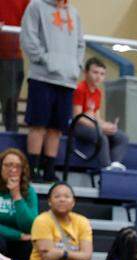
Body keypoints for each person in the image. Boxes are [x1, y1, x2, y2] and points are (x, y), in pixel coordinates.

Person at [20, 0, 84, 182]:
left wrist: (75, 66)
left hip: (67, 80)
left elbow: (81, 43)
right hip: (42, 77)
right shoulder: (36, 6)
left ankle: (49, 170)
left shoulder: (74, 12)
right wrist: (45, 59)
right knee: (38, 125)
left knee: (56, 128)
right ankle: (32, 169)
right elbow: (28, 36)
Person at [71, 58, 129, 171]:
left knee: (122, 137)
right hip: (78, 127)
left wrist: (107, 125)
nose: (99, 77)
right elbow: (77, 117)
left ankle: (115, 164)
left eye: (102, 74)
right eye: (95, 72)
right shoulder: (80, 89)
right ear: (86, 73)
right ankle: (106, 166)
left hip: (92, 125)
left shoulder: (97, 93)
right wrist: (99, 126)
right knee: (101, 136)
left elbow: (96, 116)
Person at [0, 148, 37, 260]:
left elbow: (30, 226)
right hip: (4, 239)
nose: (13, 169)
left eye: (18, 166)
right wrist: (18, 235)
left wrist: (16, 195)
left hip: (21, 244)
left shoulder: (29, 191)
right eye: (8, 165)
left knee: (31, 245)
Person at [0, 0, 29, 133]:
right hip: (9, 59)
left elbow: (33, 23)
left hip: (11, 59)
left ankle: (11, 149)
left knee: (10, 108)